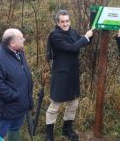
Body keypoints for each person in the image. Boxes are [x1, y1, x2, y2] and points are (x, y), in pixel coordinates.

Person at [45, 10, 93, 141]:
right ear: (58, 23)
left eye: (67, 21)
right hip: (61, 74)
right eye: (62, 21)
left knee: (73, 102)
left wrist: (90, 34)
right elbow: (72, 48)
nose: (65, 24)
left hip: (73, 73)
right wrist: (85, 37)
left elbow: (83, 42)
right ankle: (49, 134)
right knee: (55, 105)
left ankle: (67, 129)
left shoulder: (73, 31)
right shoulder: (55, 36)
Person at [0, 28, 33, 141]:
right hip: (7, 108)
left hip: (20, 105)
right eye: (21, 38)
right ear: (12, 43)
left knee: (15, 128)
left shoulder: (19, 52)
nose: (24, 40)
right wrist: (16, 96)